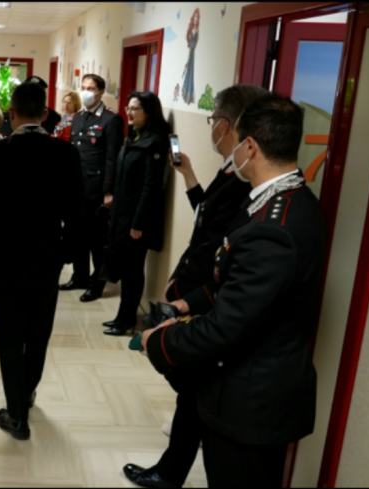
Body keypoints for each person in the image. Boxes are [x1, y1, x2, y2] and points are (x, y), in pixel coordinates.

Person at [141, 93, 326, 487]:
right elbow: (232, 280)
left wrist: (158, 341)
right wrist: (184, 303)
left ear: (250, 147)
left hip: (250, 403)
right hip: (248, 390)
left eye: (238, 141)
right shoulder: (283, 201)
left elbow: (227, 325)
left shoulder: (274, 228)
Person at [122, 84, 268, 488]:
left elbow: (218, 243)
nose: (211, 129)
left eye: (212, 121)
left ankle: (173, 467)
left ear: (225, 125)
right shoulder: (230, 171)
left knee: (190, 380)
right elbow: (207, 220)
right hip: (194, 284)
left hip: (208, 288)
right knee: (192, 387)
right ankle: (174, 464)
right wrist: (188, 174)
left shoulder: (245, 183)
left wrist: (189, 292)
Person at [0, 82, 83, 441]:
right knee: (38, 331)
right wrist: (64, 253)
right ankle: (27, 392)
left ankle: (16, 412)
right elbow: (78, 212)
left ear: (12, 115)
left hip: (5, 256)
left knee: (8, 334)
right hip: (46, 256)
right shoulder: (66, 154)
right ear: (45, 115)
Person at [102, 91, 169, 337]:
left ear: (148, 112)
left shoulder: (155, 142)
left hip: (136, 220)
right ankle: (121, 316)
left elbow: (151, 187)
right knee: (124, 267)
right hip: (121, 215)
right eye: (128, 108)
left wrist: (138, 223)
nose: (129, 113)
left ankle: (127, 320)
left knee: (132, 271)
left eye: (135, 109)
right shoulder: (134, 137)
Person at [62, 73, 123, 302]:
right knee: (77, 236)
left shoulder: (111, 120)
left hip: (97, 190)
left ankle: (96, 285)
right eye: (83, 87)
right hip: (76, 188)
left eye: (91, 88)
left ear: (100, 92)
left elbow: (112, 159)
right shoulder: (78, 117)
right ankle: (79, 277)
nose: (86, 91)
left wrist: (109, 191)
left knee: (97, 241)